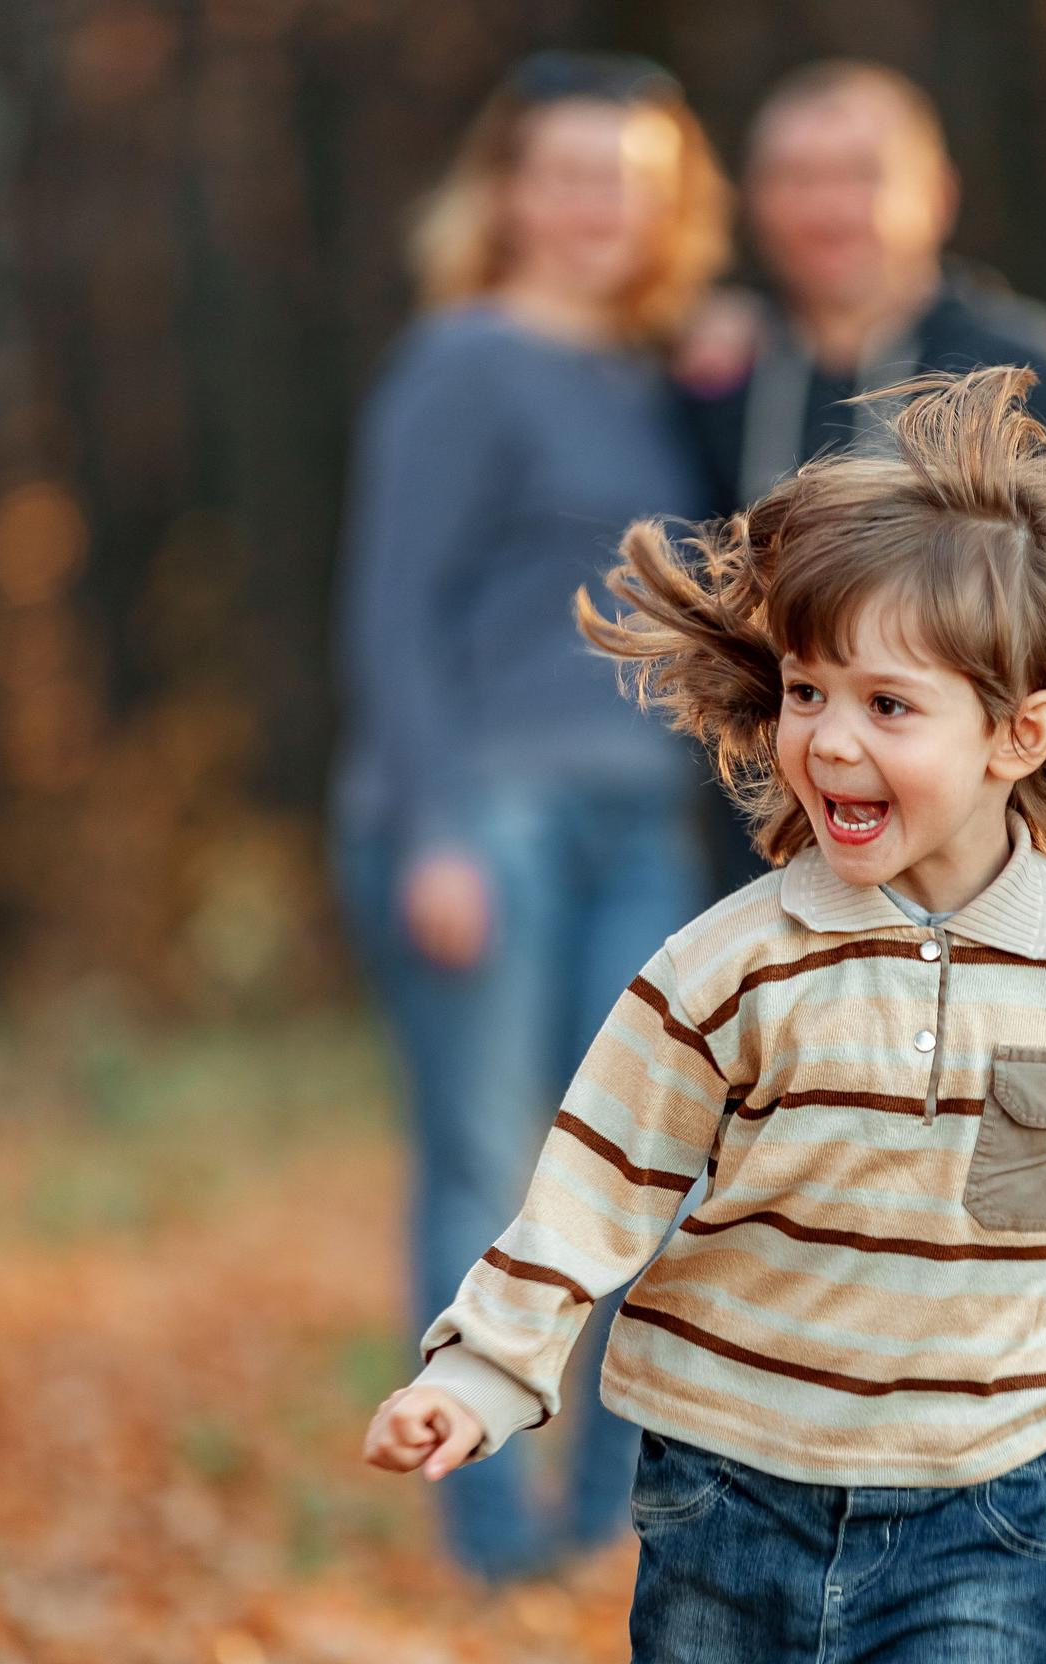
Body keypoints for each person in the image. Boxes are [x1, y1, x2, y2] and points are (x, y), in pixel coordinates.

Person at [363, 368, 1046, 1664]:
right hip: (728, 1495)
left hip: (979, 1511)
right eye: (804, 692)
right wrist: (489, 1371)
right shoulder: (730, 968)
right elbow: (597, 1183)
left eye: (888, 706)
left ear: (1020, 732)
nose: (829, 741)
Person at [327, 50, 732, 1586]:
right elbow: (393, 608)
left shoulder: (663, 375)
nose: (594, 206)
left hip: (643, 824)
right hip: (481, 814)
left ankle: (606, 1529)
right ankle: (490, 1538)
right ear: (506, 192)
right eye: (565, 173)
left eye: (626, 179)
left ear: (669, 201)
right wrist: (431, 826)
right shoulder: (462, 358)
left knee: (653, 1169)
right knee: (489, 1168)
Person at [677, 59, 1046, 908]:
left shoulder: (1026, 363)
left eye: (862, 174)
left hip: (996, 846)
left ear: (936, 194)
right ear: (755, 202)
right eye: (798, 178)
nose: (829, 206)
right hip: (766, 847)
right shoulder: (721, 375)